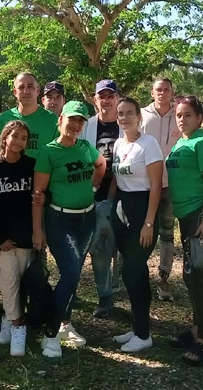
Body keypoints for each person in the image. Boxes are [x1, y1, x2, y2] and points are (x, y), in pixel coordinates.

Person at [32, 101, 106, 358]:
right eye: (72, 119)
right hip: (60, 221)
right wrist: (37, 230)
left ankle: (65, 323)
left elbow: (101, 165)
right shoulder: (48, 152)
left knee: (71, 276)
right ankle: (50, 334)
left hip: (87, 220)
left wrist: (94, 189)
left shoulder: (86, 147)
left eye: (81, 121)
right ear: (61, 118)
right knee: (71, 274)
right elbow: (38, 194)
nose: (75, 125)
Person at [165, 95, 203, 367]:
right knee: (189, 276)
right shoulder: (180, 142)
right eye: (179, 115)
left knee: (196, 277)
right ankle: (197, 329)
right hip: (185, 216)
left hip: (200, 215)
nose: (182, 119)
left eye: (188, 115)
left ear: (199, 118)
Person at [109, 97, 163, 352]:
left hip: (143, 212)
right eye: (121, 114)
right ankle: (137, 327)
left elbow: (155, 187)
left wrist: (149, 222)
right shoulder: (119, 144)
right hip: (122, 211)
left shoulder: (149, 144)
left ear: (139, 117)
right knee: (133, 272)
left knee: (133, 270)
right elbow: (116, 180)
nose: (125, 117)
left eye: (130, 113)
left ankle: (143, 335)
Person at [0, 120, 35, 357]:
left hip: (25, 236)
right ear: (4, 138)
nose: (18, 141)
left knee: (21, 281)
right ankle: (18, 326)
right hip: (2, 237)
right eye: (14, 136)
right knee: (7, 280)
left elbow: (37, 201)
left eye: (23, 138)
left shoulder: (31, 166)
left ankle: (8, 317)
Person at [80, 79, 123, 318]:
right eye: (101, 96)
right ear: (94, 100)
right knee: (101, 246)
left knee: (122, 247)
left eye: (110, 96)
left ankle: (116, 288)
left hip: (124, 194)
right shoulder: (88, 126)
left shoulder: (125, 123)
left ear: (117, 98)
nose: (106, 100)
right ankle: (105, 295)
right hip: (94, 194)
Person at [140, 78, 182, 301]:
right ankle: (135, 276)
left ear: (172, 92)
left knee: (167, 233)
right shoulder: (142, 115)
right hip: (144, 184)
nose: (162, 93)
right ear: (152, 92)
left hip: (170, 183)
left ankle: (164, 280)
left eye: (166, 89)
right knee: (140, 230)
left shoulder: (180, 114)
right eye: (158, 89)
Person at [0, 72, 59, 159]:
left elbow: (58, 156)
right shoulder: (5, 118)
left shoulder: (52, 120)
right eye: (21, 87)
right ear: (15, 92)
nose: (26, 91)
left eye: (30, 86)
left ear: (37, 90)